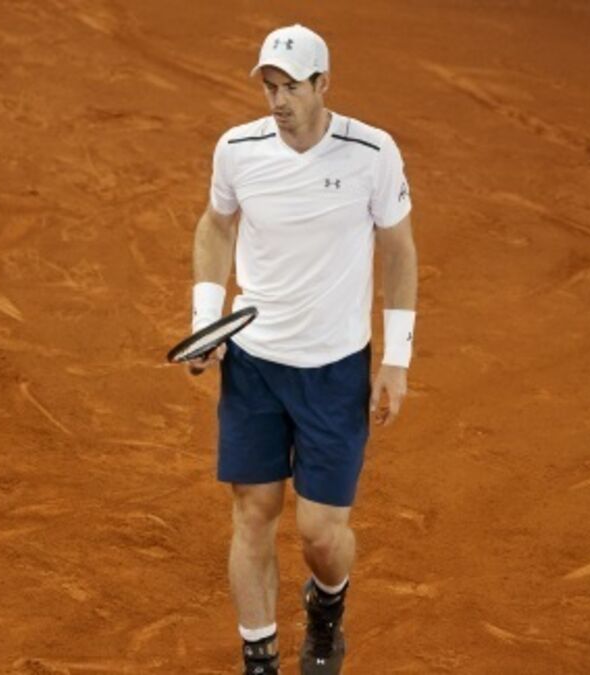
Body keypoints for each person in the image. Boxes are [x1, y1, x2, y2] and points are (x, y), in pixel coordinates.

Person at [185, 23, 418, 675]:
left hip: (335, 370)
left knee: (320, 533)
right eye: (269, 87)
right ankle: (259, 658)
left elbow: (399, 252)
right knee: (252, 513)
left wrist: (396, 359)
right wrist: (207, 321)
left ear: (323, 85)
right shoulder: (238, 150)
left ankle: (327, 602)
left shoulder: (372, 153)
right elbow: (216, 225)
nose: (278, 101)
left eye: (290, 87)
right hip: (255, 364)